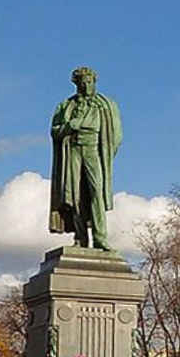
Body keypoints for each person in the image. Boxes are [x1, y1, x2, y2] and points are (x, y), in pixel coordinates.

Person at [49, 66, 122, 250]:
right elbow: (55, 131)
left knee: (96, 192)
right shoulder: (67, 105)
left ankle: (100, 237)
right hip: (73, 149)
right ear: (77, 84)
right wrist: (69, 126)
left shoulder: (106, 105)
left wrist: (106, 153)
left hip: (93, 149)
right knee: (75, 194)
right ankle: (80, 238)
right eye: (82, 83)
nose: (86, 86)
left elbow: (116, 135)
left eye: (89, 82)